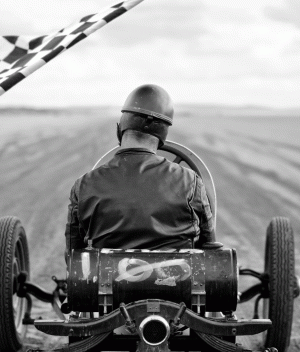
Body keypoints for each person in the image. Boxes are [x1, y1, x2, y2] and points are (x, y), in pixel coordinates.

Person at [65, 84, 215, 261]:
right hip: (178, 284)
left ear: (120, 128)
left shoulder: (83, 186)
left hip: (107, 287)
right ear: (162, 138)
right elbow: (210, 246)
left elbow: (73, 256)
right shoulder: (191, 181)